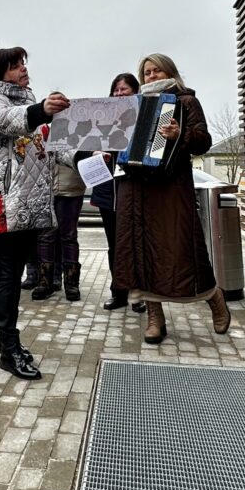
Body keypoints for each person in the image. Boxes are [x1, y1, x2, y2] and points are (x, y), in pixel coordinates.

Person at [0, 47, 70, 380]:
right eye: (15, 66)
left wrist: (89, 156)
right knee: (6, 274)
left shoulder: (28, 103)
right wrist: (40, 109)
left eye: (24, 64)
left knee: (10, 272)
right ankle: (9, 350)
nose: (23, 70)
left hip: (24, 204)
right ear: (1, 72)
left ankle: (5, 341)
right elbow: (7, 121)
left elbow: (49, 145)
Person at [114, 53, 229, 344]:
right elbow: (119, 140)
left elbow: (203, 141)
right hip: (136, 185)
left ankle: (213, 297)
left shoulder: (184, 101)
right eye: (147, 73)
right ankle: (155, 317)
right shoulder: (132, 106)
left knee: (181, 248)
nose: (151, 77)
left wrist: (181, 134)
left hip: (170, 186)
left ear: (170, 71)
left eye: (156, 71)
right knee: (141, 250)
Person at [94, 73, 145, 314]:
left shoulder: (143, 117)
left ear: (136, 91)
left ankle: (140, 294)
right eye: (115, 90)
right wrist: (96, 153)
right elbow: (86, 145)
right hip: (108, 190)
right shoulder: (103, 120)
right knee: (114, 245)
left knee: (135, 244)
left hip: (134, 189)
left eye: (124, 89)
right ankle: (119, 292)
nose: (119, 94)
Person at [32, 154, 85, 301]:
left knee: (69, 236)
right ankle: (44, 282)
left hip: (70, 184)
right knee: (45, 236)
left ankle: (71, 283)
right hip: (42, 185)